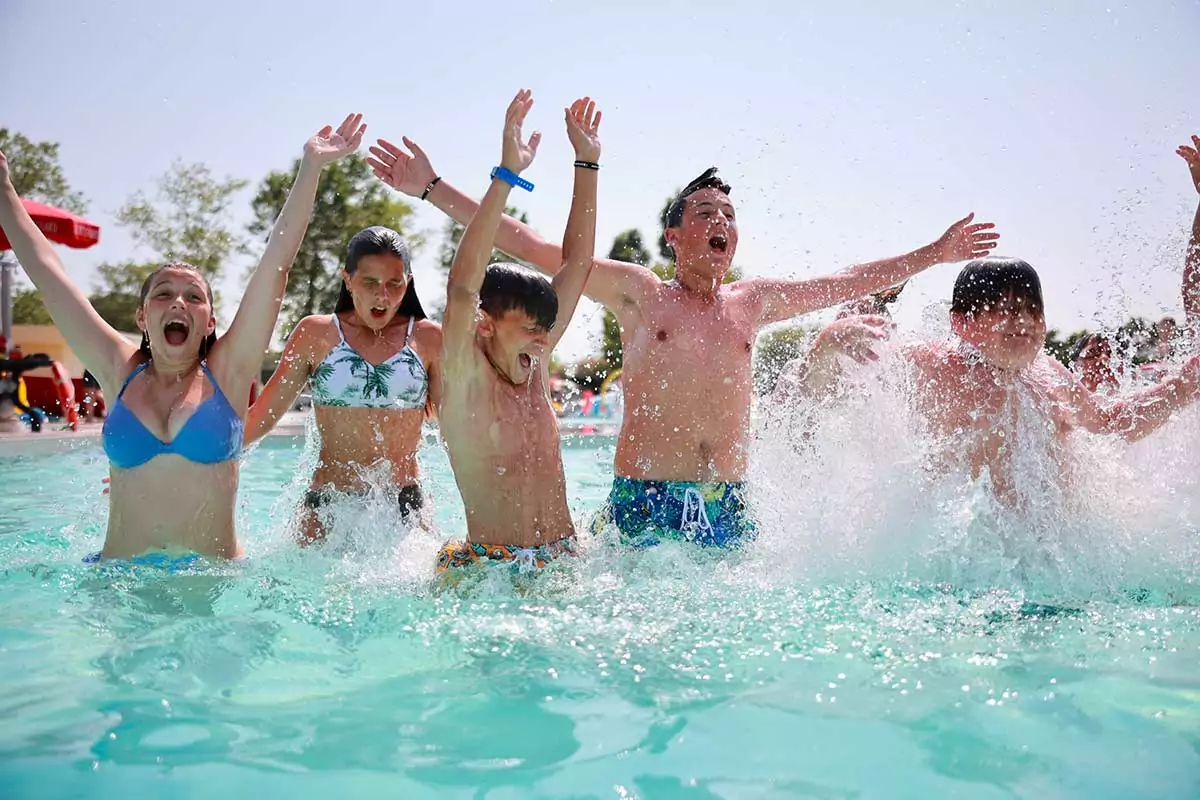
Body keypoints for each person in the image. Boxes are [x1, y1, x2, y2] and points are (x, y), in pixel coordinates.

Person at [367, 129, 998, 549]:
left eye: (728, 215)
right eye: (704, 213)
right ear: (675, 235)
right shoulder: (642, 293)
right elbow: (537, 247)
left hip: (727, 503)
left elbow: (844, 280)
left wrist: (932, 254)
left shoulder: (753, 302)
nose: (720, 221)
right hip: (646, 499)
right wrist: (430, 189)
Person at [0, 114, 366, 561]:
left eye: (194, 297)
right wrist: (4, 193)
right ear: (142, 316)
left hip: (212, 589)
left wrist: (310, 166)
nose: (178, 303)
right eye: (164, 294)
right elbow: (50, 275)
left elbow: (277, 261)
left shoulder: (227, 375)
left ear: (210, 321)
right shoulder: (119, 370)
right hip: (119, 583)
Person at [434, 90, 600, 573]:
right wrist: (505, 178)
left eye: (544, 329)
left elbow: (580, 263)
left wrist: (586, 164)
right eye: (530, 328)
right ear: (487, 324)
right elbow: (462, 287)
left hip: (562, 560)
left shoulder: (536, 360)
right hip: (493, 570)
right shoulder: (465, 374)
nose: (544, 339)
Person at [889, 257, 1199, 506]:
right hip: (966, 564)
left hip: (1051, 559)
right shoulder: (932, 365)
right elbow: (854, 375)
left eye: (1032, 310)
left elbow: (1110, 423)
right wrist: (839, 341)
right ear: (961, 321)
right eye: (1007, 310)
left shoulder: (1048, 373)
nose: (1023, 322)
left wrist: (1184, 384)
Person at [245, 225, 442, 544]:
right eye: (370, 282)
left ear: (409, 283)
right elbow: (261, 419)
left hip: (405, 506)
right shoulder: (315, 335)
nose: (383, 295)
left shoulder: (429, 338)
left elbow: (456, 433)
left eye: (395, 283)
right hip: (326, 505)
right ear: (347, 279)